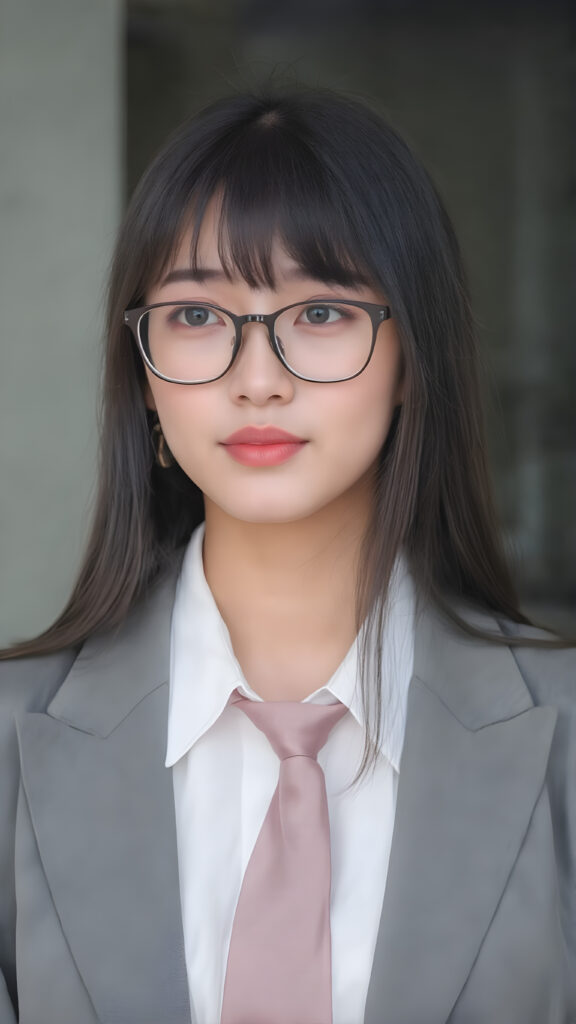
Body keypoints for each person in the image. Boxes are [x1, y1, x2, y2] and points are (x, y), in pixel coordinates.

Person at [0, 87, 574, 1024]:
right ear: (141, 373)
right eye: (196, 316)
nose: (257, 379)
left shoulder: (561, 737)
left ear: (414, 356)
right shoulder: (11, 741)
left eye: (321, 312)